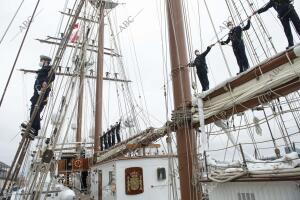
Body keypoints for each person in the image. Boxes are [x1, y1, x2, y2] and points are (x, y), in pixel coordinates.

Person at [22, 55, 55, 138]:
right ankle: (32, 127)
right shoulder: (42, 70)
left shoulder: (49, 69)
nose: (40, 62)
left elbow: (51, 77)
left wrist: (45, 83)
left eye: (42, 60)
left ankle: (34, 129)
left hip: (42, 93)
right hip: (37, 93)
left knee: (35, 110)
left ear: (46, 61)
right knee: (34, 110)